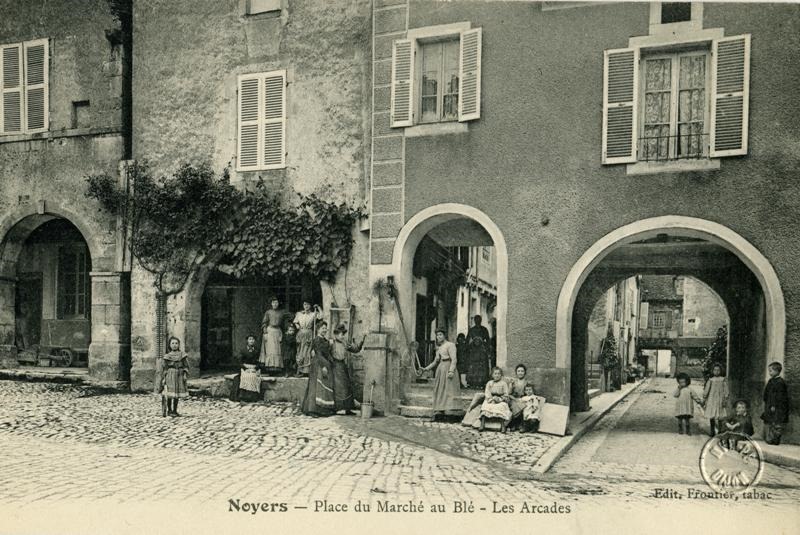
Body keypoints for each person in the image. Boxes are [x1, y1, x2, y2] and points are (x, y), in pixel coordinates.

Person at [419, 329, 461, 422]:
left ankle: (450, 414)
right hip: (441, 369)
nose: (439, 337)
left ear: (444, 335)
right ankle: (440, 412)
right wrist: (426, 368)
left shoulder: (450, 345)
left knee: (449, 390)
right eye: (437, 335)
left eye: (441, 335)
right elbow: (435, 361)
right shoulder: (439, 348)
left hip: (448, 368)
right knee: (440, 390)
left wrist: (451, 371)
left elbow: (454, 359)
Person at [331, 324, 366, 415]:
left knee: (347, 387)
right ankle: (338, 408)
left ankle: (348, 408)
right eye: (341, 334)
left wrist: (362, 340)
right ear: (336, 335)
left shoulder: (345, 343)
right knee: (339, 387)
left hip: (343, 366)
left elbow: (356, 349)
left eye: (343, 334)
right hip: (335, 366)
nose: (342, 336)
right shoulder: (331, 343)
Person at [301, 322, 335, 417]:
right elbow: (318, 353)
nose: (324, 330)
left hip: (325, 363)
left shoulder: (325, 340)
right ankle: (312, 410)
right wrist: (324, 365)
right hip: (318, 364)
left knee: (323, 386)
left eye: (325, 328)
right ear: (318, 329)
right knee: (315, 386)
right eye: (323, 328)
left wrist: (332, 362)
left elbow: (327, 353)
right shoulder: (316, 340)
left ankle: (322, 409)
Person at [159, 336, 189, 417]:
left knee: (177, 394)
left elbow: (186, 366)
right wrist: (164, 378)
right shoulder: (167, 356)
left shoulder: (182, 355)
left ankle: (175, 410)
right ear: (170, 345)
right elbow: (165, 368)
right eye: (172, 343)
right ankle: (169, 410)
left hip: (179, 374)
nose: (174, 345)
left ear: (179, 345)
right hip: (170, 375)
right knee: (170, 394)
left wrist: (185, 374)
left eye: (176, 343)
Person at [762, 361, 790, 445]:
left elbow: (780, 396)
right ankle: (771, 438)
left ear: (777, 371)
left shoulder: (780, 382)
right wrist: (766, 401)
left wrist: (774, 405)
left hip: (777, 407)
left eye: (771, 371)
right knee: (771, 422)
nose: (769, 373)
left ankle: (775, 439)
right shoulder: (771, 381)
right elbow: (766, 393)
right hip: (770, 405)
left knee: (776, 423)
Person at [479, 367, 512, 433]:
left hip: (501, 399)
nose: (497, 375)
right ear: (492, 375)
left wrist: (499, 399)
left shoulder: (504, 383)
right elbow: (487, 392)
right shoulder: (489, 383)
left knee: (501, 407)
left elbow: (506, 394)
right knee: (486, 406)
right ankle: (482, 424)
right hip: (491, 399)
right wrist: (491, 399)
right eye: (495, 374)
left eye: (499, 374)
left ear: (501, 375)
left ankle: (502, 425)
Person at [294, 301, 322, 376]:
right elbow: (295, 322)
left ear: (310, 306)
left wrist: (318, 308)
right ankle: (300, 370)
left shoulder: (313, 314)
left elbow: (321, 316)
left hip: (309, 334)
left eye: (308, 304)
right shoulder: (299, 314)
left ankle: (306, 371)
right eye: (305, 304)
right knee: (300, 351)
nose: (306, 306)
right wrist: (297, 326)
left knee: (307, 351)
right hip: (300, 333)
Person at [230, 334, 261, 402]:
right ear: (247, 341)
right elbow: (239, 361)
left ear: (255, 341)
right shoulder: (243, 350)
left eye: (253, 339)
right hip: (245, 368)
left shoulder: (257, 350)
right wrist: (245, 366)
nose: (251, 341)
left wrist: (255, 367)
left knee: (253, 377)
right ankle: (243, 396)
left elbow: (260, 361)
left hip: (254, 368)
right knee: (246, 377)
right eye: (250, 339)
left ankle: (252, 397)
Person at [260, 297, 286, 375]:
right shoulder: (268, 312)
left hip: (277, 331)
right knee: (270, 349)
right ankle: (269, 368)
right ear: (271, 304)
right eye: (273, 302)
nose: (275, 304)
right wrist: (265, 331)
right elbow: (264, 322)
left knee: (277, 349)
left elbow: (290, 317)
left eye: (276, 303)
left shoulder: (282, 312)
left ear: (278, 304)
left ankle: (277, 368)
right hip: (270, 331)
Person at [703, 363, 729, 437]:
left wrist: (726, 398)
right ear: (712, 371)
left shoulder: (723, 380)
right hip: (712, 400)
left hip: (720, 400)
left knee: (720, 416)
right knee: (712, 416)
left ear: (721, 371)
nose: (716, 371)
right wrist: (704, 397)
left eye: (718, 370)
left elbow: (726, 390)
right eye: (715, 370)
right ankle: (712, 431)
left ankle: (720, 431)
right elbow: (707, 389)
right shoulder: (711, 380)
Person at [465, 315, 491, 388]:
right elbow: (467, 340)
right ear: (474, 321)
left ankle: (482, 382)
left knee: (482, 366)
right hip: (473, 351)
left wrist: (485, 346)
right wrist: (472, 343)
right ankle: (472, 382)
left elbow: (488, 340)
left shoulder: (484, 329)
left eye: (479, 320)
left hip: (482, 351)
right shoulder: (471, 330)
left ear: (481, 320)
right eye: (476, 320)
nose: (477, 321)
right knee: (473, 366)